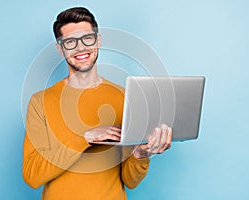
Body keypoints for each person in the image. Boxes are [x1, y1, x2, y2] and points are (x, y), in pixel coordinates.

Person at [22, 7, 172, 200]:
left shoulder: (125, 98)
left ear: (98, 41)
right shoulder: (40, 101)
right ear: (60, 49)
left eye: (87, 38)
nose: (81, 48)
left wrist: (141, 154)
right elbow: (32, 176)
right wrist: (84, 138)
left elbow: (129, 180)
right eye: (70, 42)